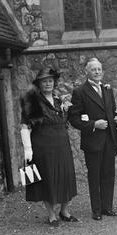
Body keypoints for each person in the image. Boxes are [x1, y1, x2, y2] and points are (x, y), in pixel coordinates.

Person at [20, 67, 77, 226]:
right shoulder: (33, 102)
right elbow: (25, 126)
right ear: (39, 84)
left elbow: (68, 118)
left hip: (62, 144)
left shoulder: (60, 99)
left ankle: (65, 211)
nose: (48, 84)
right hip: (43, 145)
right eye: (44, 81)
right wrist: (27, 149)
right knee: (47, 178)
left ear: (54, 82)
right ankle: (52, 215)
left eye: (50, 80)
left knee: (66, 176)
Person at [68, 58, 117, 221]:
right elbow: (74, 118)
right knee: (95, 176)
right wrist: (93, 124)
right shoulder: (80, 92)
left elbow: (112, 114)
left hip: (109, 140)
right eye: (94, 70)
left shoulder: (107, 89)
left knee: (109, 174)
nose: (97, 72)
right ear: (87, 72)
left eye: (99, 69)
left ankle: (107, 207)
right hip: (93, 141)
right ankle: (96, 210)